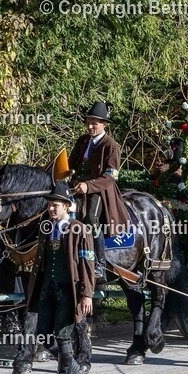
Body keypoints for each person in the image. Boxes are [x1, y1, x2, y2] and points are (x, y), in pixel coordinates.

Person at [25, 182, 96, 374]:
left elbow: (87, 264)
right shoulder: (46, 229)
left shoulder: (79, 230)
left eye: (56, 205)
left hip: (69, 290)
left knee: (63, 335)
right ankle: (71, 364)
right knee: (43, 336)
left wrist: (87, 295)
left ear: (67, 206)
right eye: (50, 205)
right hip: (48, 289)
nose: (52, 209)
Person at [70, 101, 131, 278]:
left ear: (104, 124)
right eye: (88, 122)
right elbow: (72, 163)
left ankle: (99, 262)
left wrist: (88, 186)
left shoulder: (112, 146)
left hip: (99, 190)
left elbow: (110, 176)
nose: (90, 127)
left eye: (94, 124)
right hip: (76, 186)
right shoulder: (82, 140)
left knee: (90, 217)